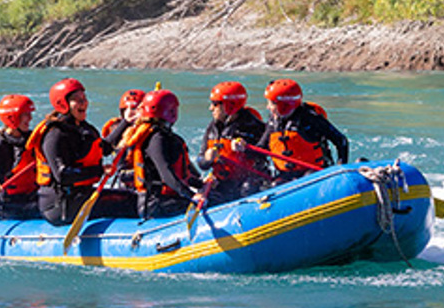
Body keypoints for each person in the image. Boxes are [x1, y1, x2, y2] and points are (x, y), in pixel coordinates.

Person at [29, 78, 132, 225]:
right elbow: (62, 175)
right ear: (63, 104)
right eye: (77, 100)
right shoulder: (55, 135)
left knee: (129, 197)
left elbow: (105, 148)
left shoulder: (84, 129)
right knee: (127, 203)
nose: (84, 103)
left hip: (80, 195)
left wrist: (126, 122)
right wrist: (99, 171)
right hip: (60, 205)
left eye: (84, 98)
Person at [126, 90, 205, 219]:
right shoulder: (156, 139)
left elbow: (180, 174)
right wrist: (191, 195)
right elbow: (167, 175)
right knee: (210, 203)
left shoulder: (165, 137)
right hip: (154, 204)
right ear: (172, 112)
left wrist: (200, 184)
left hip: (166, 199)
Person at [258, 78, 349, 185]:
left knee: (308, 179)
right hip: (287, 175)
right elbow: (261, 148)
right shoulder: (273, 122)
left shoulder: (310, 118)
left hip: (314, 171)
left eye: (272, 104)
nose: (268, 107)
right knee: (276, 185)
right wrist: (241, 145)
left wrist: (340, 167)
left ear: (284, 105)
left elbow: (341, 140)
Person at [197, 81, 269, 203]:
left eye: (215, 104)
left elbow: (265, 153)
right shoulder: (212, 129)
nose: (211, 108)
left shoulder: (253, 125)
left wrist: (246, 148)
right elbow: (202, 164)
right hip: (224, 182)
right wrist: (207, 159)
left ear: (230, 106)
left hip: (249, 183)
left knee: (248, 189)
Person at [0, 94, 41, 220]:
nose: (30, 118)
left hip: (33, 199)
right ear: (12, 118)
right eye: (25, 115)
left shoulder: (32, 139)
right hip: (9, 206)